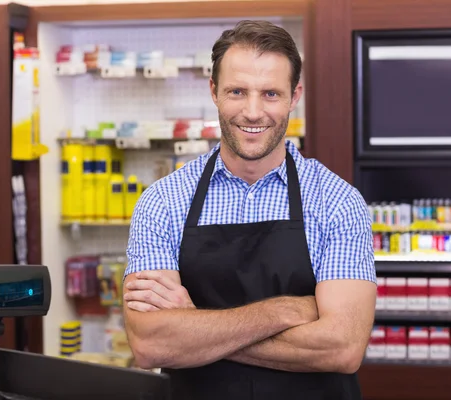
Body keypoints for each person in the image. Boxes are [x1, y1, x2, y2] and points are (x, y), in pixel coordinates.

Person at [122, 20, 377, 400]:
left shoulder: (337, 201)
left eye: (271, 93)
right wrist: (288, 311)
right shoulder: (162, 201)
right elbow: (150, 344)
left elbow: (341, 348)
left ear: (295, 96)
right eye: (237, 91)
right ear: (214, 92)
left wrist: (194, 330)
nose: (253, 112)